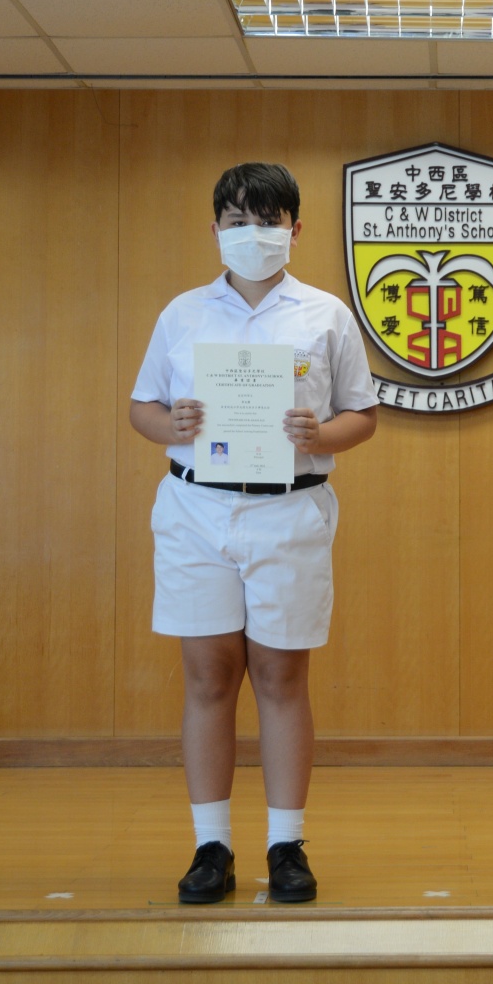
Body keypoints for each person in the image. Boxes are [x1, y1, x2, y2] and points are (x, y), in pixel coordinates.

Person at [129, 162, 377, 905]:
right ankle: (212, 845)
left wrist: (321, 433)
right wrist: (170, 424)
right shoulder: (182, 313)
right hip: (196, 510)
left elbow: (362, 415)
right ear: (215, 229)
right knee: (209, 678)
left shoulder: (326, 314)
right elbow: (143, 407)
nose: (252, 234)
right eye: (238, 221)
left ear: (295, 230)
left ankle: (285, 844)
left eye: (267, 221)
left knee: (280, 678)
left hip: (288, 510)